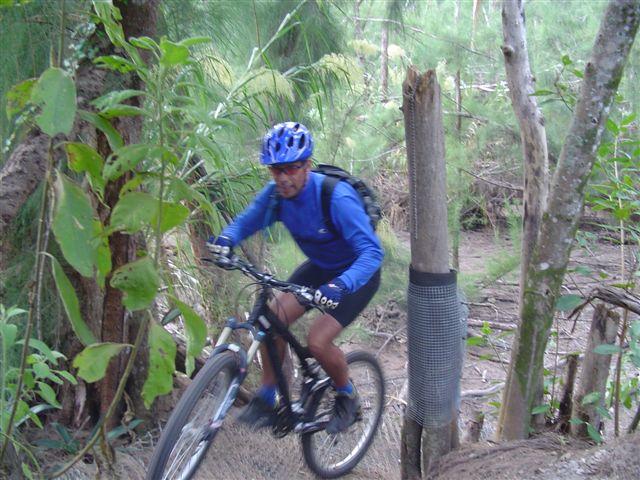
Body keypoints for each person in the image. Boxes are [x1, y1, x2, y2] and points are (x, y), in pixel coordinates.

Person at [208, 122, 383, 434]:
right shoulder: (276, 197)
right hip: (320, 267)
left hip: (356, 275)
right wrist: (226, 239)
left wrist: (340, 284)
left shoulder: (336, 198)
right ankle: (267, 395)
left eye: (290, 168)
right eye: (276, 170)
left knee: (317, 340)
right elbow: (248, 220)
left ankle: (347, 395)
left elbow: (371, 253)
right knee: (270, 318)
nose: (283, 178)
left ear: (307, 166)